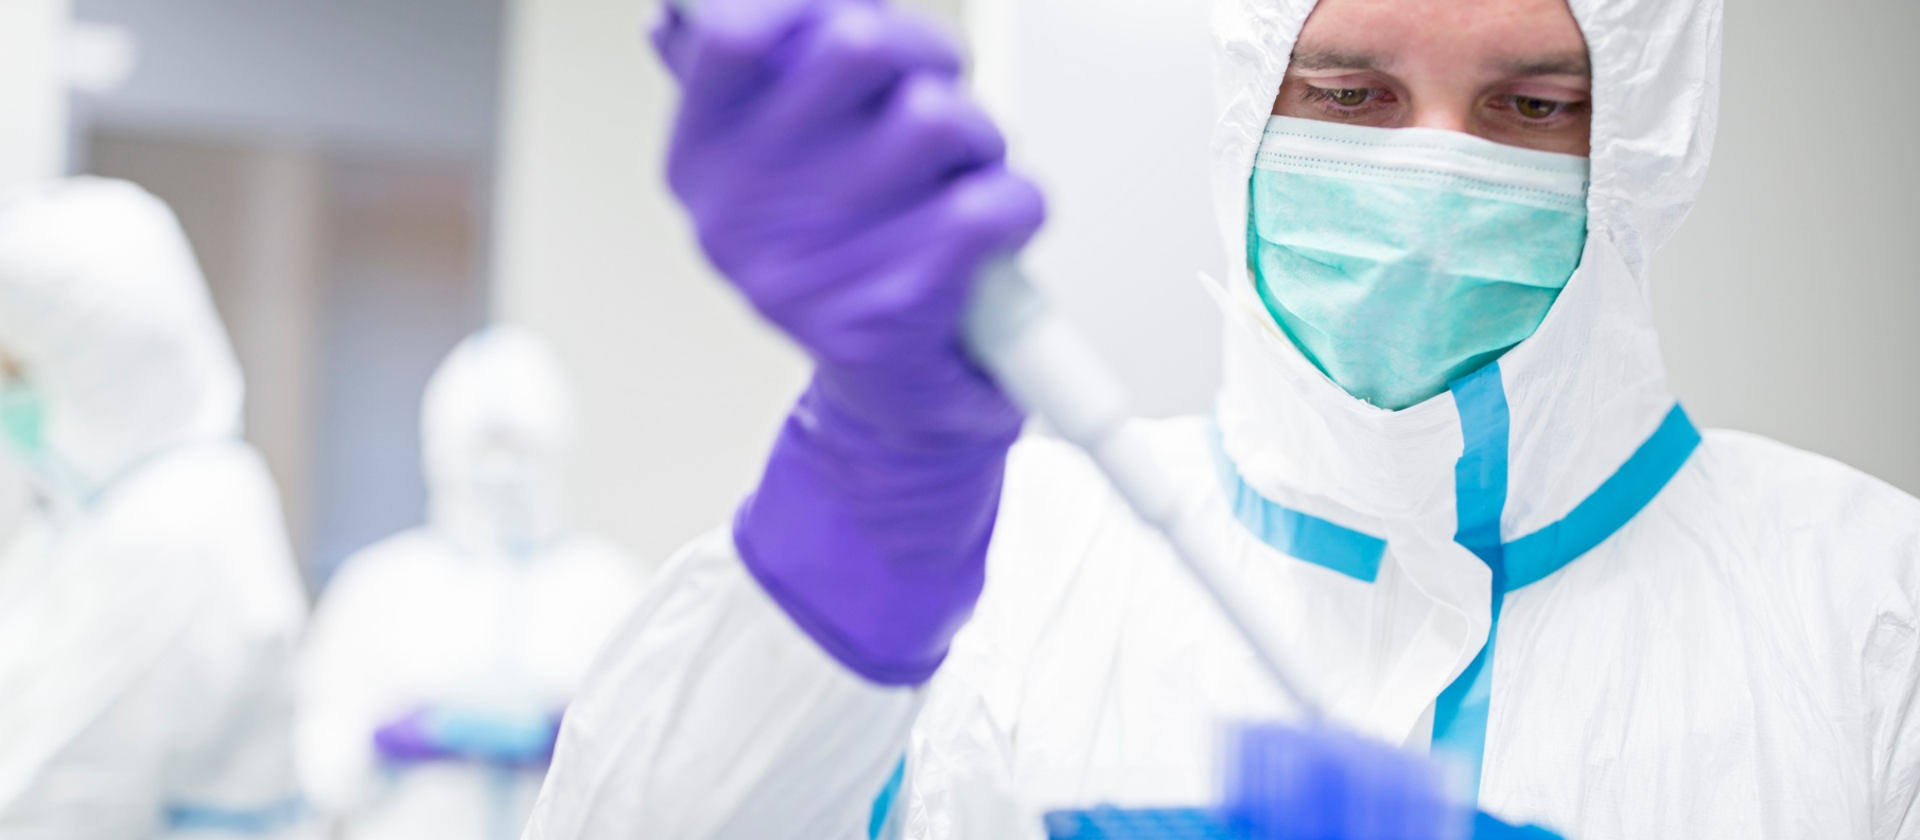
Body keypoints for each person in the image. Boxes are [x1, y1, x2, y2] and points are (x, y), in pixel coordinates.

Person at [524, 0, 1920, 836]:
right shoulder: (1011, 576)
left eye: (1535, 104)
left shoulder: (1870, 614)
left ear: (1644, 143)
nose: (1434, 172)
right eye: (1350, 94)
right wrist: (851, 535)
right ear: (1252, 109)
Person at [0, 178, 313, 837]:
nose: (8, 396)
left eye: (15, 370)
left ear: (89, 366)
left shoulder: (177, 525)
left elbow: (61, 808)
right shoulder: (100, 516)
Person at [296, 326, 647, 840]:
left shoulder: (611, 588)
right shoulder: (377, 587)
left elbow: (650, 764)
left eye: (520, 447)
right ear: (439, 446)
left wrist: (569, 741)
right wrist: (388, 740)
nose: (499, 469)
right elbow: (314, 763)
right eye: (479, 447)